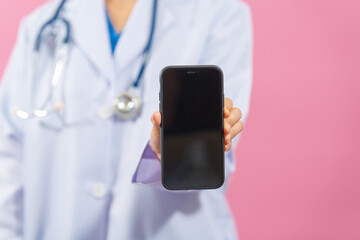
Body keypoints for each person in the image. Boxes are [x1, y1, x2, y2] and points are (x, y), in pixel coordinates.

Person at [0, 0, 252, 239]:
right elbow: (8, 161)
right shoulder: (41, 26)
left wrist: (172, 154)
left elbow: (207, 160)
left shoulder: (219, 16)